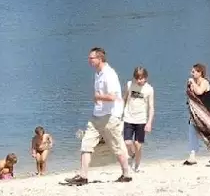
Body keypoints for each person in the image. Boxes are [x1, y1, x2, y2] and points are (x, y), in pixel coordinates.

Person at [64, 47, 131, 186]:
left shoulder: (109, 74)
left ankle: (127, 173)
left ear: (99, 59)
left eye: (91, 58)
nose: (89, 61)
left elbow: (113, 96)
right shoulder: (98, 73)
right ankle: (83, 176)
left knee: (116, 146)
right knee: (86, 143)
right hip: (97, 116)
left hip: (110, 116)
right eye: (89, 58)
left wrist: (98, 96)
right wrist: (97, 99)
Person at [122, 66, 155, 173]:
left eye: (141, 78)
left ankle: (137, 165)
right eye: (137, 78)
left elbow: (151, 107)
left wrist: (149, 122)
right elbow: (124, 98)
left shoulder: (149, 89)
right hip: (128, 117)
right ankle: (133, 155)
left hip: (141, 120)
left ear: (146, 77)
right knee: (127, 142)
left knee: (138, 144)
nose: (139, 81)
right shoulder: (129, 85)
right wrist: (119, 113)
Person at [184, 63, 210, 166]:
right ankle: (192, 156)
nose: (191, 74)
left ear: (200, 72)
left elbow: (200, 92)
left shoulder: (205, 82)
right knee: (192, 132)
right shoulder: (195, 82)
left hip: (205, 114)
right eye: (191, 72)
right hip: (196, 114)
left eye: (193, 72)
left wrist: (192, 82)